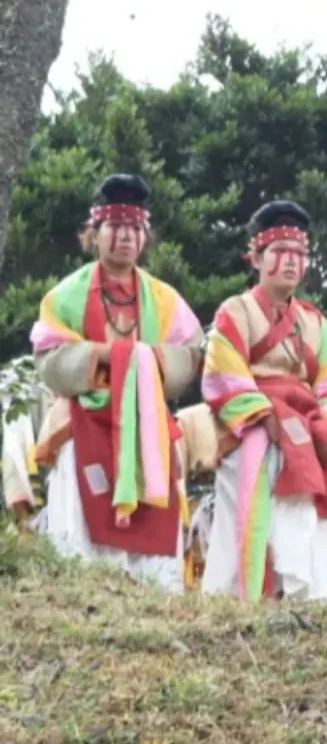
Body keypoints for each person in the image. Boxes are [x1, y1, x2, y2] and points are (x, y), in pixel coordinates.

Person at [29, 174, 204, 590]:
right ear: (94, 233)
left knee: (154, 524)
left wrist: (143, 360)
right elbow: (48, 358)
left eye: (134, 228)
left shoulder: (165, 299)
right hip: (83, 423)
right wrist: (107, 356)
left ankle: (153, 595)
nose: (125, 236)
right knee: (82, 517)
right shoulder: (66, 295)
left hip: (147, 425)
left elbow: (191, 354)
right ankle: (86, 593)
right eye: (115, 226)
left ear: (145, 237)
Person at [202, 201, 327, 603]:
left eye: (299, 253)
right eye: (280, 251)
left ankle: (307, 597)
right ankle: (240, 595)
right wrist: (262, 415)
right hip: (254, 429)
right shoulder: (236, 310)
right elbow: (223, 371)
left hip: (305, 427)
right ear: (256, 258)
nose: (291, 261)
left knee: (321, 499)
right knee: (249, 510)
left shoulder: (315, 321)